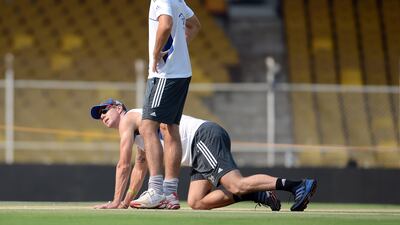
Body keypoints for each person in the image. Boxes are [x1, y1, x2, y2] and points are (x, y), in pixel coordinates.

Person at [90, 99, 317, 211]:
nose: (102, 116)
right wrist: (124, 203)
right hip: (197, 149)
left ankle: (297, 185)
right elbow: (139, 170)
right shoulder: (142, 133)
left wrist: (115, 201)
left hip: (203, 137)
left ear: (118, 108)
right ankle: (258, 195)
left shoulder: (129, 119)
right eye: (98, 115)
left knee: (236, 183)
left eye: (104, 110)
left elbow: (123, 165)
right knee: (196, 202)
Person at [138, 0, 201, 209]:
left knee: (148, 126)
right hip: (182, 72)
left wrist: (156, 54)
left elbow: (165, 24)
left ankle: (155, 190)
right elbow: (195, 24)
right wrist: (179, 48)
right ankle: (170, 193)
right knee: (169, 127)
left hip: (165, 74)